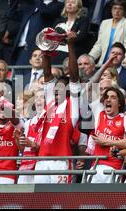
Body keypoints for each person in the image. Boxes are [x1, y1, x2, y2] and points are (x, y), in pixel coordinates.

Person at [33, 32, 80, 184]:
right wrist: (45, 49)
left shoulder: (73, 102)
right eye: (55, 86)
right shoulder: (50, 102)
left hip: (62, 161)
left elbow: (73, 75)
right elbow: (47, 73)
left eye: (61, 86)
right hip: (41, 160)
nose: (56, 88)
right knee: (39, 200)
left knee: (61, 200)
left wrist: (71, 46)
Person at [89, 87, 126, 183]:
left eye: (113, 97)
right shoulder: (99, 113)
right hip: (95, 167)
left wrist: (106, 142)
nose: (108, 99)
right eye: (106, 97)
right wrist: (102, 71)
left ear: (119, 103)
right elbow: (89, 87)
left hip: (114, 168)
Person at [89, 0, 126, 65]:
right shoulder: (104, 23)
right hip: (103, 62)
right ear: (111, 10)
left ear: (124, 11)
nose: (117, 11)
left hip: (118, 61)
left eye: (120, 9)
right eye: (115, 8)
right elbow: (99, 45)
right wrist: (90, 57)